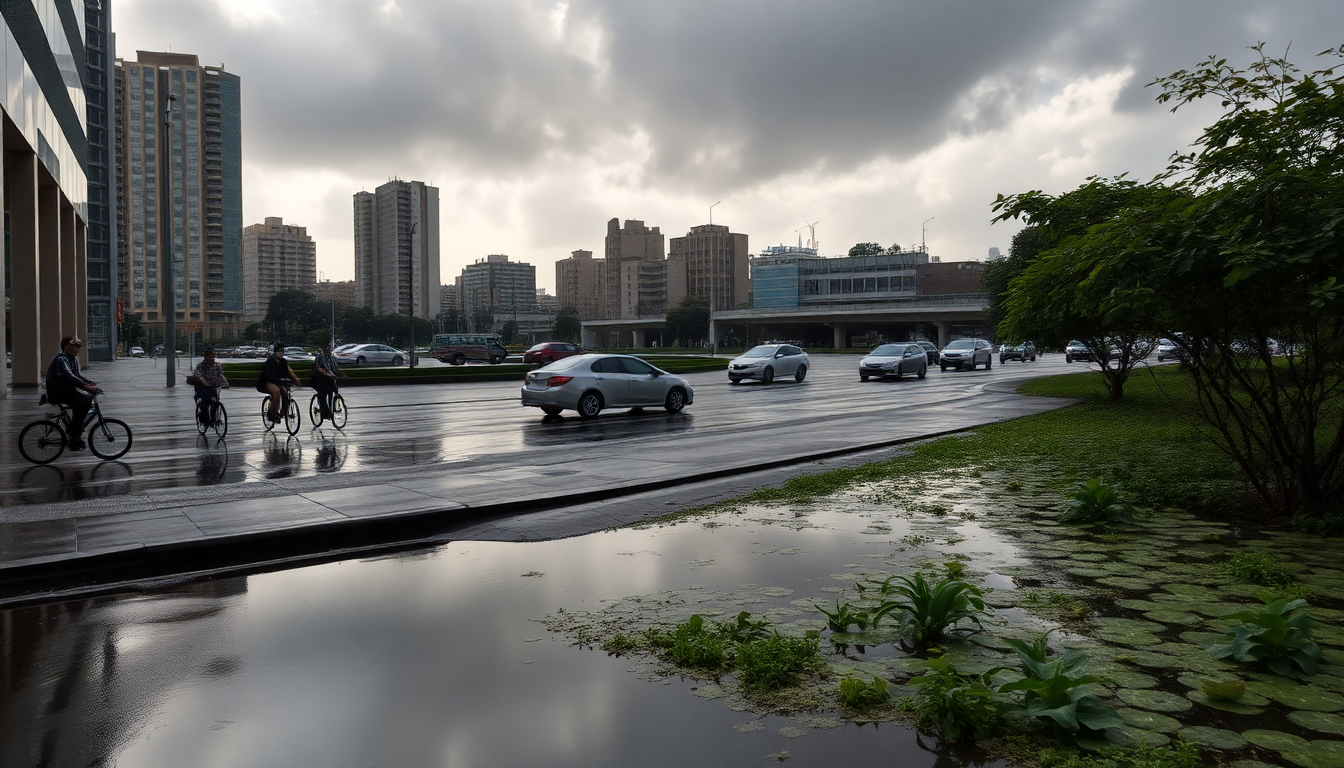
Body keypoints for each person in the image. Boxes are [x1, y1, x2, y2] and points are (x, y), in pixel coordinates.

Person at [46, 336, 98, 451]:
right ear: (66, 347)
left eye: (78, 346)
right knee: (85, 401)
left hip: (66, 390)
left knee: (85, 400)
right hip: (58, 392)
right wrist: (85, 386)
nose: (77, 349)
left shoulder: (73, 359)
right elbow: (69, 376)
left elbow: (77, 375)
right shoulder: (61, 359)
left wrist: (89, 384)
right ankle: (74, 433)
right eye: (75, 346)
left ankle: (75, 432)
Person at [259, 342, 301, 423]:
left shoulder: (283, 361)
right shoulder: (270, 361)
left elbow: (289, 371)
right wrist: (279, 378)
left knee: (285, 393)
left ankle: (284, 411)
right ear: (275, 352)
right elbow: (268, 373)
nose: (281, 353)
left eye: (282, 351)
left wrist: (295, 379)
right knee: (276, 392)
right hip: (269, 381)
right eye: (279, 351)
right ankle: (273, 414)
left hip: (280, 382)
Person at [192, 348, 230, 426]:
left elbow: (221, 375)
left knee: (215, 401)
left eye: (213, 356)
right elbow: (199, 375)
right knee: (205, 401)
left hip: (213, 386)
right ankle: (205, 420)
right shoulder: (201, 366)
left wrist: (225, 383)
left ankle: (214, 420)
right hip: (202, 386)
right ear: (205, 356)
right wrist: (205, 383)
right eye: (209, 356)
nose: (211, 358)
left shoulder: (217, 366)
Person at [311, 342, 342, 420]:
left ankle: (333, 408)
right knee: (323, 394)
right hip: (319, 379)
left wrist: (339, 375)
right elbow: (320, 369)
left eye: (329, 347)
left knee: (334, 390)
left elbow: (336, 369)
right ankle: (325, 413)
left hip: (330, 379)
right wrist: (328, 374)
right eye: (326, 347)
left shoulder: (333, 358)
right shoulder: (320, 358)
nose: (328, 349)